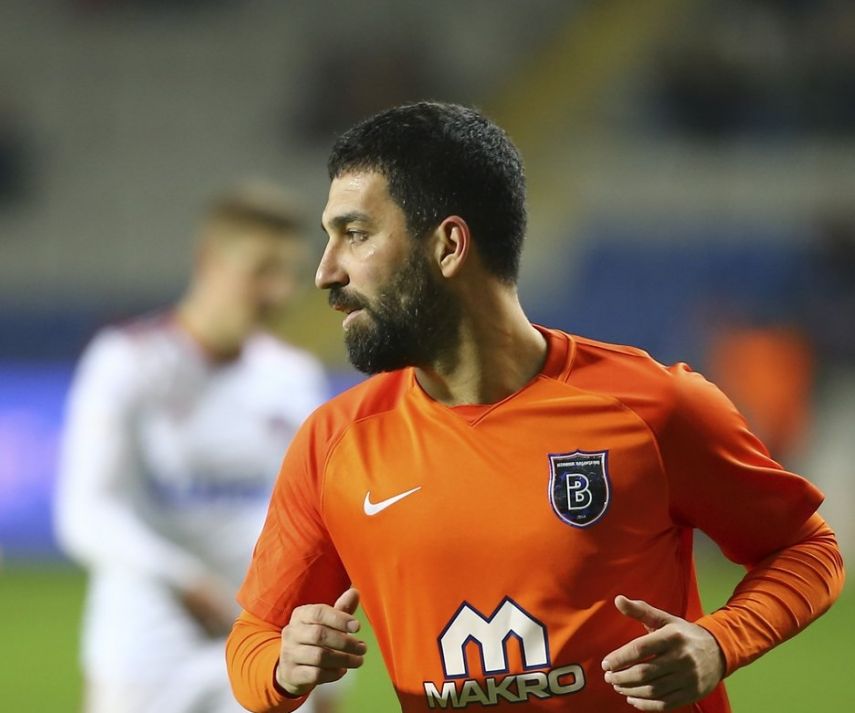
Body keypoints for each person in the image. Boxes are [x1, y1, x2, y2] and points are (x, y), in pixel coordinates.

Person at [225, 103, 845, 713]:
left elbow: (807, 550)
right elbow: (253, 640)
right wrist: (284, 665)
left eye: (356, 234)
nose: (325, 272)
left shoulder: (654, 406)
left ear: (449, 245)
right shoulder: (334, 442)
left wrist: (718, 643)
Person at [56, 183, 345, 713]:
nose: (279, 293)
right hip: (147, 646)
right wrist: (183, 580)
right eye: (262, 271)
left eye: (288, 274)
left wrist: (327, 681)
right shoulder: (127, 362)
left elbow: (312, 525)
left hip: (261, 639)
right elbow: (86, 513)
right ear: (209, 261)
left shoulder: (293, 377)